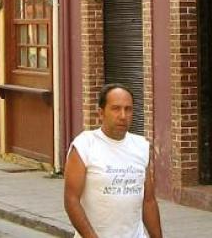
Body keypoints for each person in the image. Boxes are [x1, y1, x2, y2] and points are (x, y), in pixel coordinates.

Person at [64, 83, 163, 238]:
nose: (123, 116)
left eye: (128, 109)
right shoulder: (84, 145)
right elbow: (71, 199)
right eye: (116, 108)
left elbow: (148, 201)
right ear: (101, 113)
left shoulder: (141, 146)